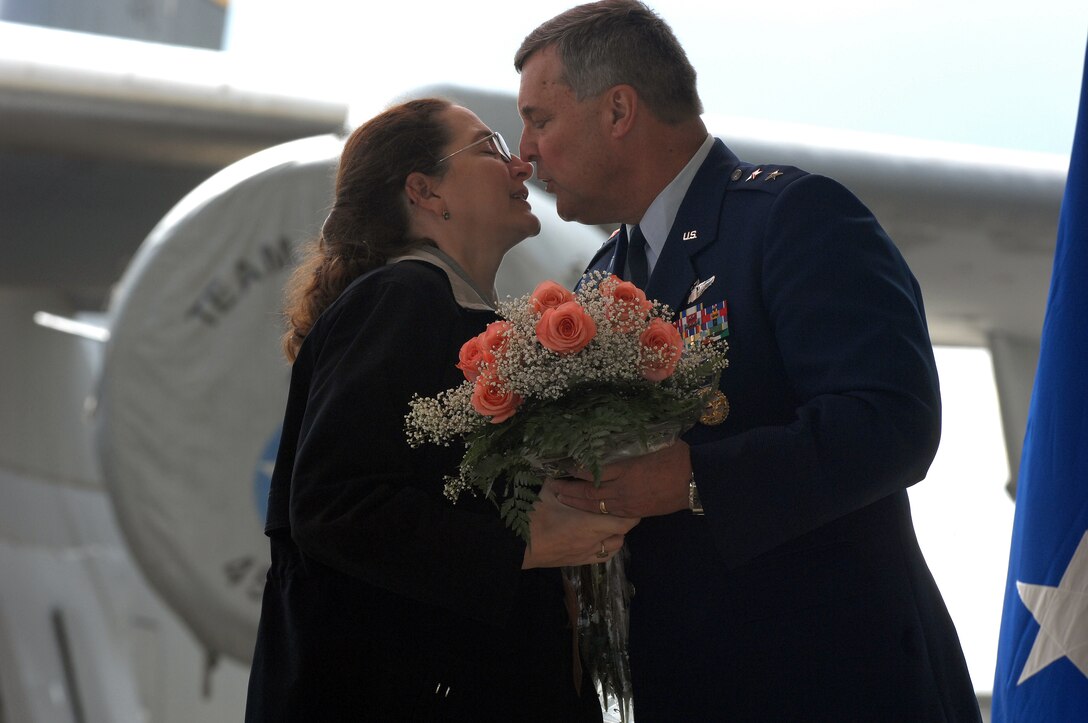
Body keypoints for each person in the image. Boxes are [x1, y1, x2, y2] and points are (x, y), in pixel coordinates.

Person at [515, 2, 983, 720]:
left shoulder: (794, 217)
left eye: (540, 120)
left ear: (618, 110)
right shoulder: (599, 281)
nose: (526, 152)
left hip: (833, 685)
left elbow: (893, 422)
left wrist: (693, 479)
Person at [244, 98, 635, 722]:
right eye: (491, 148)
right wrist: (522, 542)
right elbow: (331, 506)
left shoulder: (440, 309)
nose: (521, 167)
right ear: (425, 192)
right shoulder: (399, 298)